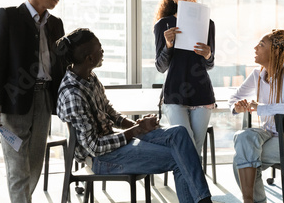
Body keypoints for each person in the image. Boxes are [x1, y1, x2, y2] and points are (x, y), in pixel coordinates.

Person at [56, 28, 213, 203]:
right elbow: (95, 147)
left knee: (179, 133)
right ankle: (204, 201)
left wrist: (138, 125)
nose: (103, 51)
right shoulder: (72, 94)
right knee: (180, 157)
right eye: (99, 48)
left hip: (115, 144)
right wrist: (135, 131)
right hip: (102, 159)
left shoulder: (89, 77)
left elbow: (110, 113)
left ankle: (202, 200)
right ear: (89, 58)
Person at [0, 0, 65, 203]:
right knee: (18, 168)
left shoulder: (56, 24)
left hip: (44, 100)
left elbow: (60, 66)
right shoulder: (8, 16)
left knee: (34, 166)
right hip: (14, 102)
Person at [229, 29, 284, 203]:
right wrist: (237, 107)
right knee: (244, 138)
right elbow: (234, 98)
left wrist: (261, 108)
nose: (255, 48)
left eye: (261, 45)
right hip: (269, 135)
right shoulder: (257, 74)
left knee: (241, 160)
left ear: (276, 51)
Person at [153, 0, 216, 157]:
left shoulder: (208, 24)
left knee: (194, 150)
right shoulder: (164, 25)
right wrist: (168, 45)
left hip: (202, 93)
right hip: (174, 94)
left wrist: (208, 54)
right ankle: (194, 185)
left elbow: (209, 65)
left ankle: (188, 185)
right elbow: (160, 66)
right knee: (185, 145)